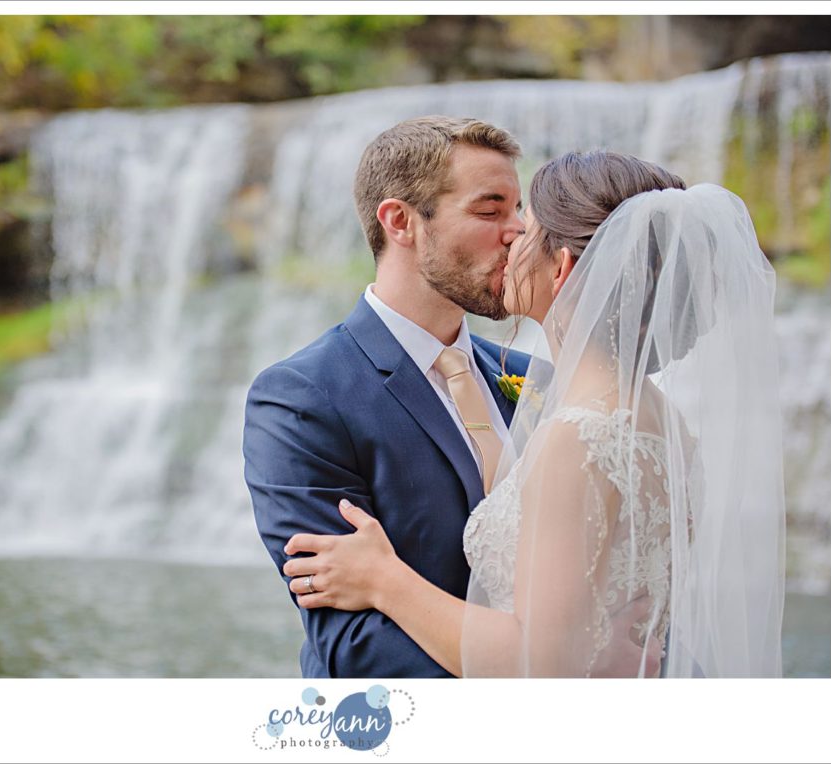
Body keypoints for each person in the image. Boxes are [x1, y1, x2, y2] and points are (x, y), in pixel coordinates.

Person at [281, 150, 786, 678]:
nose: (512, 235)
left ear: (563, 267)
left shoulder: (578, 436)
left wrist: (386, 580)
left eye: (527, 229)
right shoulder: (663, 421)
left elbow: (538, 665)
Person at [244, 118, 656, 678]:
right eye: (490, 211)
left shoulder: (541, 379)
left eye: (519, 211)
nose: (517, 233)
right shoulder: (301, 397)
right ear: (401, 222)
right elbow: (350, 639)